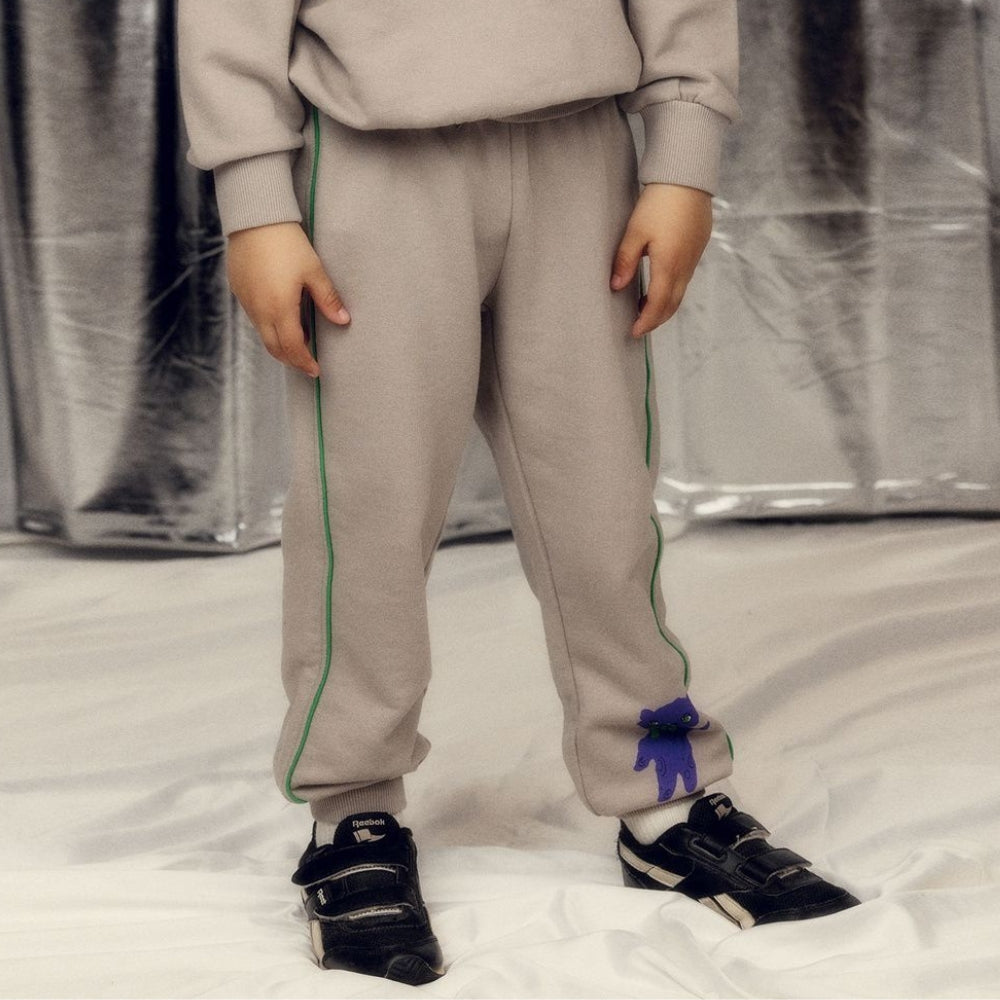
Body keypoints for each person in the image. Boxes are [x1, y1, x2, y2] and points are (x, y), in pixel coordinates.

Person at [178, 1, 859, 984]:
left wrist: (680, 158)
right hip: (373, 161)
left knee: (602, 507)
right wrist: (258, 202)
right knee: (367, 509)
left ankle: (663, 794)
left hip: (578, 153)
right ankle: (351, 811)